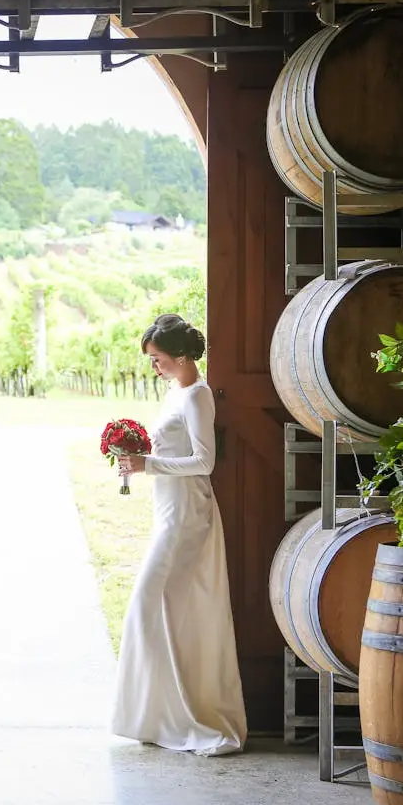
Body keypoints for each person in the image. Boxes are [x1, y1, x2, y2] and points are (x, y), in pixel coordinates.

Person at [111, 313, 248, 757]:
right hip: (168, 507)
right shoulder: (174, 390)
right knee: (161, 609)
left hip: (188, 512)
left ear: (183, 356)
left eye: (158, 358)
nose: (153, 366)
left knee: (150, 602)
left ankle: (185, 714)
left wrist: (148, 465)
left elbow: (204, 462)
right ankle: (157, 715)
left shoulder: (197, 396)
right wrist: (136, 454)